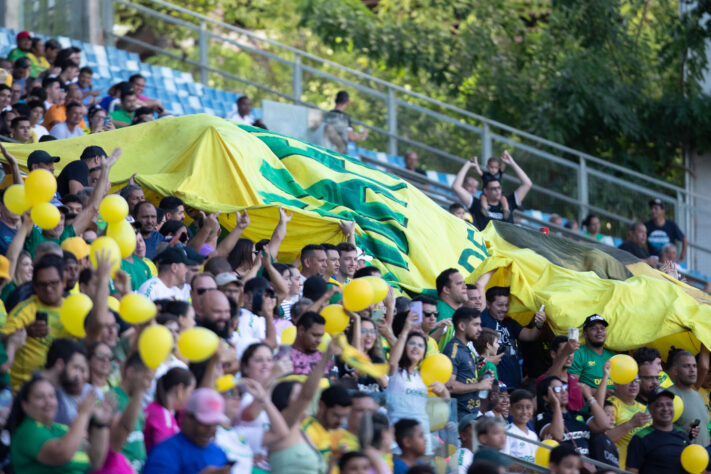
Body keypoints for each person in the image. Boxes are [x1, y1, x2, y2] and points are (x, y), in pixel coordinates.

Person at [8, 376, 113, 473]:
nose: (48, 401)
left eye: (52, 396)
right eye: (40, 397)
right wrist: (83, 414)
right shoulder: (28, 431)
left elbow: (94, 461)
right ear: (25, 405)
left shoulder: (60, 429)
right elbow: (61, 453)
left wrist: (101, 424)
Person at [1, 254, 70, 391]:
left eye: (53, 283)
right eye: (42, 285)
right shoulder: (24, 310)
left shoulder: (74, 308)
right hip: (27, 392)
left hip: (64, 390)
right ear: (34, 286)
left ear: (64, 281)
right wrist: (26, 331)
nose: (48, 289)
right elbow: (1, 342)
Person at [386, 313, 448, 455]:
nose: (416, 347)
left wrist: (443, 390)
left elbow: (445, 403)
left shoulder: (422, 378)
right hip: (398, 441)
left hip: (423, 439)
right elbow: (392, 362)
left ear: (424, 353)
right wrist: (405, 331)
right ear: (404, 347)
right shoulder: (396, 372)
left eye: (420, 345)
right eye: (412, 343)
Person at [143, 388, 230, 473]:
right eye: (205, 424)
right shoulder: (164, 454)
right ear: (187, 418)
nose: (211, 430)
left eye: (215, 424)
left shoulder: (219, 454)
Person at [480, 286, 546, 389]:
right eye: (500, 305)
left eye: (506, 305)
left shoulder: (510, 323)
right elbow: (480, 285)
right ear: (488, 304)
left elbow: (530, 336)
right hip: (495, 385)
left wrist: (539, 325)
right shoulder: (484, 320)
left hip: (515, 384)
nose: (504, 309)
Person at [535, 376, 609, 458]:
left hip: (586, 466)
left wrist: (589, 397)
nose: (564, 391)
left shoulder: (577, 413)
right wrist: (556, 405)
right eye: (558, 389)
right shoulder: (543, 417)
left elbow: (604, 425)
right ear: (546, 397)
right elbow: (558, 436)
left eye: (564, 387)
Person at [442, 307, 492, 419]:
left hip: (470, 414)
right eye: (476, 325)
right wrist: (479, 386)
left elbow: (463, 381)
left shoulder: (465, 349)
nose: (480, 329)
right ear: (462, 326)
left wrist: (479, 380)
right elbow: (449, 386)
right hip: (459, 417)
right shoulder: (453, 350)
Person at [626, 388, 691, 474]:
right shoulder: (640, 438)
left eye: (669, 404)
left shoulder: (682, 435)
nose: (665, 409)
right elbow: (631, 471)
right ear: (650, 409)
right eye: (659, 405)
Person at [110, 352, 153, 472]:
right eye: (146, 378)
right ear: (131, 373)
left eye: (150, 380)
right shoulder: (112, 398)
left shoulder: (135, 401)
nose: (148, 386)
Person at [470, 151, 532, 230]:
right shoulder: (477, 204)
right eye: (493, 188)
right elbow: (456, 187)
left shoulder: (510, 201)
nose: (497, 191)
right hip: (486, 238)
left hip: (506, 238)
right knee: (483, 198)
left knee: (504, 199)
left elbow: (527, 184)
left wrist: (510, 162)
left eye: (499, 188)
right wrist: (473, 162)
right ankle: (485, 209)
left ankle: (506, 210)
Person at [144, 367, 195, 453]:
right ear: (180, 389)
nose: (191, 397)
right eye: (190, 392)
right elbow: (164, 452)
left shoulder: (162, 411)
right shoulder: (161, 415)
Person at [606, 376, 651, 469]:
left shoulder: (644, 408)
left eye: (636, 380)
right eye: (628, 380)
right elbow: (604, 439)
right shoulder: (610, 405)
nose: (633, 384)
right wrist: (631, 424)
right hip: (618, 468)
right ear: (616, 384)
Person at [666, 349, 708, 446]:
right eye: (686, 366)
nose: (692, 370)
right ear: (675, 371)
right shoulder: (668, 396)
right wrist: (684, 433)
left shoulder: (698, 395)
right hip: (682, 458)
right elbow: (660, 433)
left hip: (704, 457)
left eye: (694, 366)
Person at [303, 385, 353, 466]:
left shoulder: (338, 432)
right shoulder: (307, 431)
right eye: (336, 415)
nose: (341, 422)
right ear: (322, 406)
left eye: (344, 416)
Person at [538, 335, 585, 411]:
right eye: (565, 351)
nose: (569, 355)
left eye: (571, 352)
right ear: (553, 354)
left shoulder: (574, 381)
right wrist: (566, 353)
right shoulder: (543, 380)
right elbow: (550, 380)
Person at [434, 268, 467, 348]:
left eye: (464, 283)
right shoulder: (440, 311)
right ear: (446, 290)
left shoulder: (452, 311)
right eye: (459, 283)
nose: (465, 287)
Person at [503, 389, 538, 464]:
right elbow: (503, 462)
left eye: (528, 407)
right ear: (510, 410)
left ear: (532, 410)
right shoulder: (507, 432)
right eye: (519, 407)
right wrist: (526, 469)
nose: (524, 412)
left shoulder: (533, 435)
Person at [291, 311, 329, 375]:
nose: (319, 340)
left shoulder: (323, 357)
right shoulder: (283, 355)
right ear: (301, 330)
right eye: (315, 335)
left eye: (321, 336)